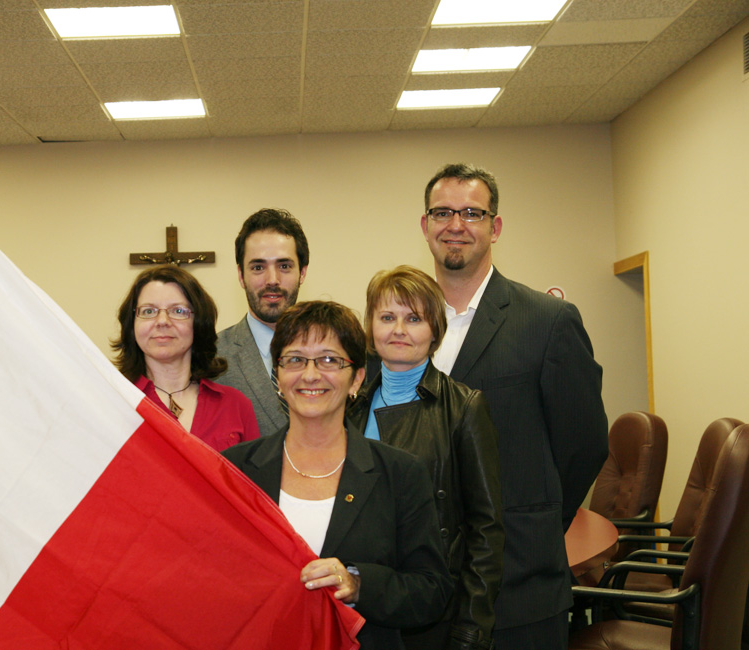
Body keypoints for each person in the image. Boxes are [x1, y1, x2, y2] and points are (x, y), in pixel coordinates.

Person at [420, 163, 608, 650]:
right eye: (442, 212)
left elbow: (584, 445)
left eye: (472, 213)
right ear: (425, 225)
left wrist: (537, 521)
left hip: (520, 587)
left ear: (495, 227)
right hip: (426, 590)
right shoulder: (399, 328)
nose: (455, 225)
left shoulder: (548, 321)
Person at [223, 301, 453, 650]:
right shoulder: (235, 470)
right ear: (279, 376)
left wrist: (359, 584)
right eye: (295, 359)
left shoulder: (401, 474)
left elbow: (431, 592)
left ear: (357, 377)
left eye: (329, 360)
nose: (311, 374)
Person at [348, 265, 503, 650]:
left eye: (413, 318)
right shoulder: (348, 406)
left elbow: (486, 530)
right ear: (371, 327)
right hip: (357, 605)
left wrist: (471, 629)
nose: (398, 329)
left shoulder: (464, 407)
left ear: (435, 330)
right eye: (387, 317)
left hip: (431, 612)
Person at [112, 265, 259, 452]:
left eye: (178, 311)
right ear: (131, 324)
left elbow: (250, 480)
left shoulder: (235, 405)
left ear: (198, 323)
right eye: (149, 311)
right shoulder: (114, 402)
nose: (162, 321)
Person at [215, 208, 309, 436]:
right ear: (240, 276)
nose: (272, 280)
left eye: (284, 266)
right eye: (258, 267)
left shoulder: (335, 354)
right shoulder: (211, 357)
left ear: (303, 273)